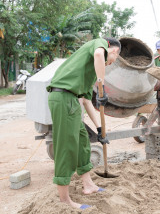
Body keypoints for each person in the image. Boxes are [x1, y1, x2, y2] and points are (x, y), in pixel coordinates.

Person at [47, 37, 121, 209]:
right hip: (63, 97)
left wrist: (100, 129)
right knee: (66, 147)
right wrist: (102, 84)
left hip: (72, 101)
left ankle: (88, 185)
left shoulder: (90, 72)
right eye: (113, 60)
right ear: (114, 51)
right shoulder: (100, 44)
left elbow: (87, 102)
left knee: (82, 141)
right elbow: (98, 54)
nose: (110, 63)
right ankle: (65, 200)